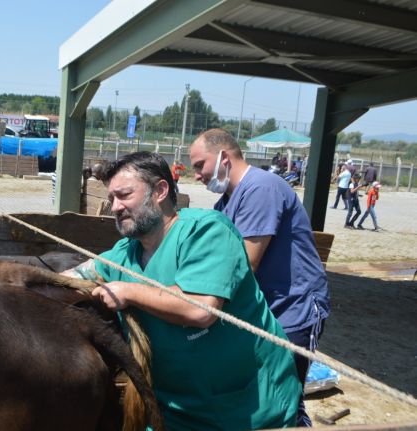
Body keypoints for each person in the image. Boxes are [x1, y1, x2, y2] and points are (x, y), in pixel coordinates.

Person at [63, 151, 301, 430]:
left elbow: (200, 309)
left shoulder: (207, 232)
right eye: (112, 198)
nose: (115, 207)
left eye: (124, 195)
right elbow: (77, 276)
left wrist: (128, 291)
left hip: (246, 409)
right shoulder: (125, 253)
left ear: (160, 191)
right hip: (173, 409)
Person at [189, 129, 330, 427]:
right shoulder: (225, 203)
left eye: (200, 165)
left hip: (292, 309)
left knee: (285, 397)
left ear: (224, 157)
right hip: (264, 309)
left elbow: (244, 263)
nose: (197, 175)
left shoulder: (261, 188)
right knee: (263, 395)